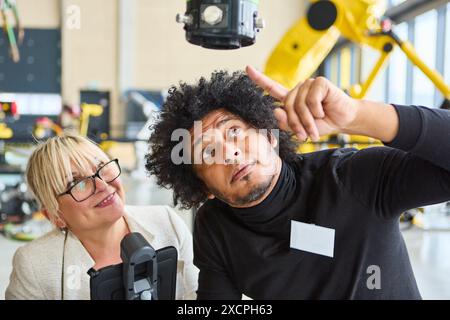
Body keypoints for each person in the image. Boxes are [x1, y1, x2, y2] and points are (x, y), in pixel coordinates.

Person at [145, 67, 450, 300]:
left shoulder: (352, 177)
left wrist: (357, 116)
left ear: (268, 134)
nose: (230, 152)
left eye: (235, 131)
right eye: (208, 151)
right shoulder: (215, 227)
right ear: (203, 189)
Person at [6, 134, 198, 300]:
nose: (102, 185)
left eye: (102, 167)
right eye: (77, 182)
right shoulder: (33, 264)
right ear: (55, 216)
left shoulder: (166, 222)